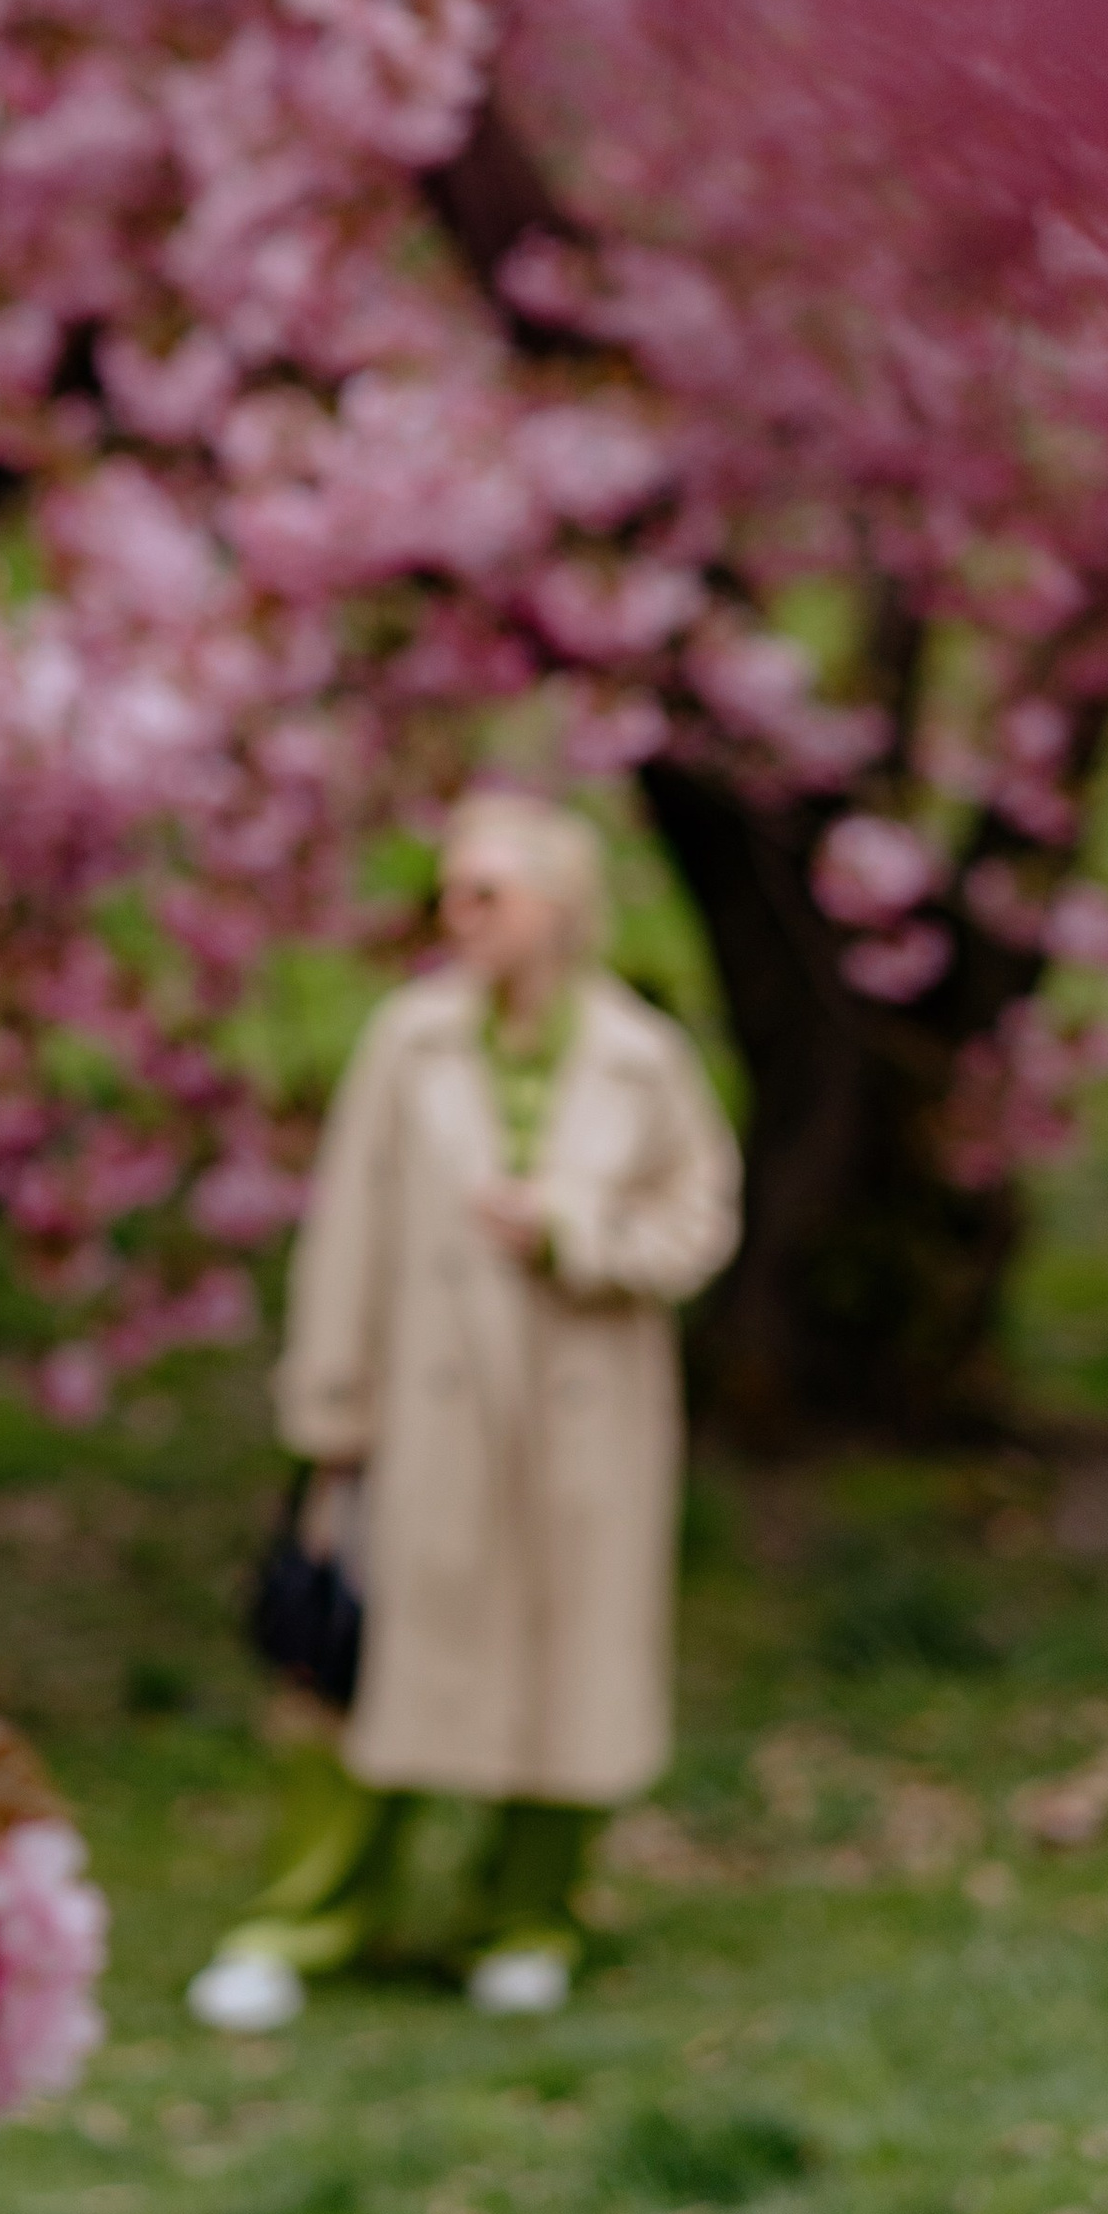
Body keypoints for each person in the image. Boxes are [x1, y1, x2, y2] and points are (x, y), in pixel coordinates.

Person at [190, 791, 741, 2032]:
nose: (459, 915)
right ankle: (313, 1913)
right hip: (427, 1411)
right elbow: (353, 1230)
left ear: (559, 907)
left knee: (568, 1664)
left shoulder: (640, 1057)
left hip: (585, 1415)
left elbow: (697, 1218)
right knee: (366, 1670)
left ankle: (529, 1913)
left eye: (487, 891)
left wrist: (575, 1232)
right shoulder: (410, 1040)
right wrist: (331, 1402)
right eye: (451, 890)